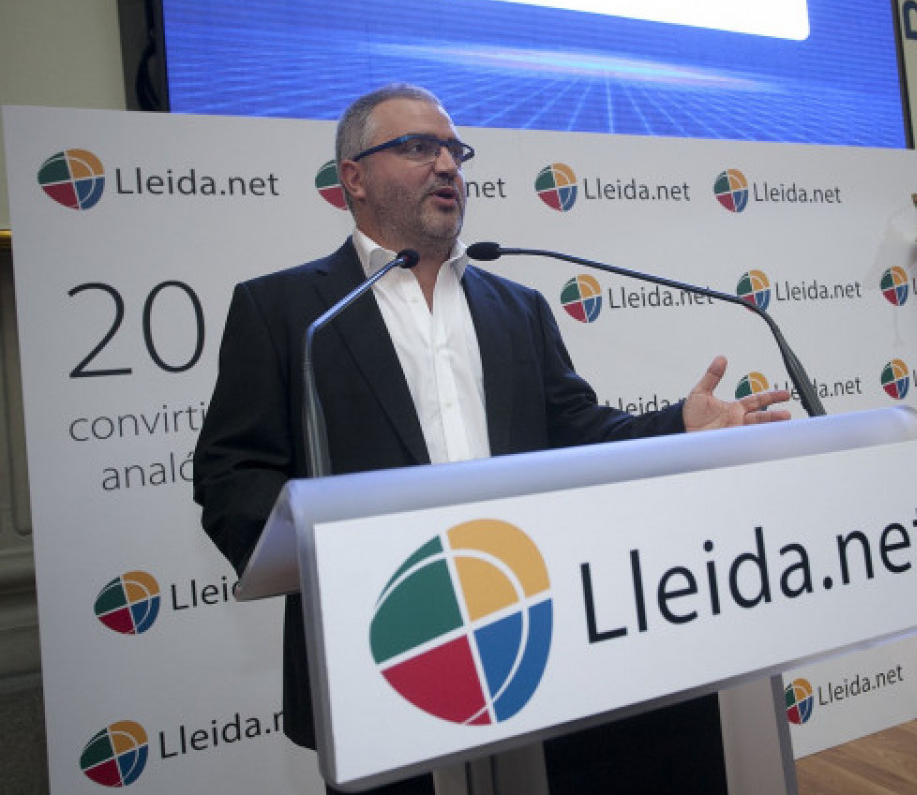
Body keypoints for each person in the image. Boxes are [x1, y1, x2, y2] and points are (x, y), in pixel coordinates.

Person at [193, 83, 790, 795]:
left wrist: (677, 426)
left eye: (455, 150)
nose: (447, 165)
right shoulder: (288, 310)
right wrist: (334, 554)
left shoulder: (518, 308)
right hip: (376, 651)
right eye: (419, 147)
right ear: (354, 177)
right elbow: (231, 473)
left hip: (522, 625)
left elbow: (577, 432)